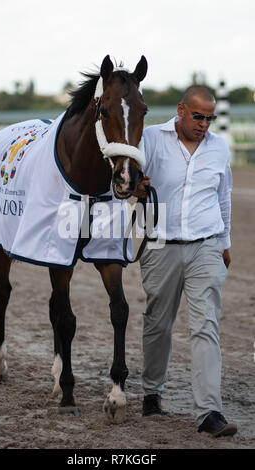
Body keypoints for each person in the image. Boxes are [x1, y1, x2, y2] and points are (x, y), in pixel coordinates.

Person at [134, 85, 237, 437]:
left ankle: (209, 412)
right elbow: (125, 183)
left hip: (206, 245)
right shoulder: (150, 139)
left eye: (210, 118)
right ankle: (152, 392)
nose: (204, 124)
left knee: (206, 325)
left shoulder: (219, 148)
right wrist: (136, 189)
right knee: (158, 323)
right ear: (180, 110)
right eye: (198, 116)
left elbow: (224, 198)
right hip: (161, 245)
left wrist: (224, 242)